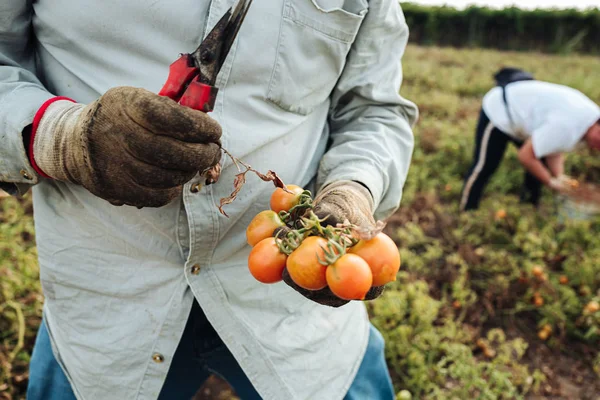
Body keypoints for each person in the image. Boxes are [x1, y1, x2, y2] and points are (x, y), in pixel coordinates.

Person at [0, 1, 418, 400]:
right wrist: (65, 138)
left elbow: (373, 111)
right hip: (107, 299)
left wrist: (352, 188)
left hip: (294, 314)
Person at [460, 76, 600, 211]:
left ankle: (528, 208)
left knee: (538, 165)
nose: (597, 147)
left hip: (527, 120)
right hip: (502, 110)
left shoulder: (588, 121)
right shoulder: (569, 125)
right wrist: (550, 182)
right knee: (485, 165)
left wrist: (558, 176)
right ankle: (467, 209)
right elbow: (526, 156)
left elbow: (555, 146)